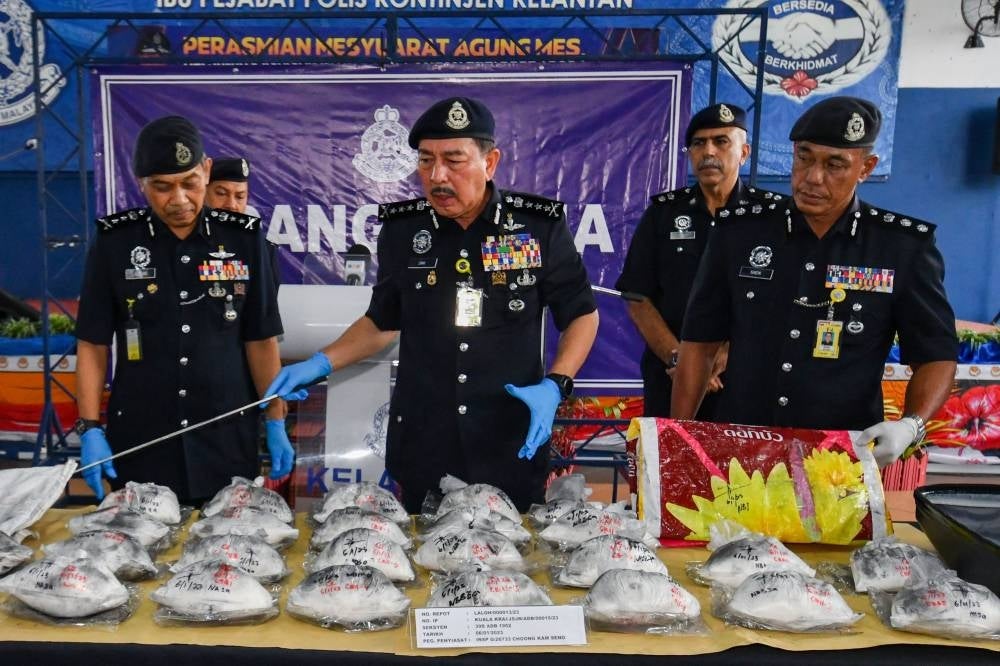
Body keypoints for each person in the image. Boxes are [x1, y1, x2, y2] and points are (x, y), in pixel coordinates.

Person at [265, 97, 599, 513]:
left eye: (453, 161)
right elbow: (382, 323)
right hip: (424, 440)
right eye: (426, 161)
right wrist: (320, 362)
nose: (437, 176)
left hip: (508, 436)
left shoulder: (537, 227)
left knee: (509, 569)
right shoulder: (403, 231)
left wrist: (556, 384)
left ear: (490, 162)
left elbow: (581, 314)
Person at [672, 96, 958, 467]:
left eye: (834, 164)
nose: (812, 177)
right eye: (804, 157)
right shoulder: (739, 232)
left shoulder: (901, 248)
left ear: (865, 167)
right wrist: (678, 435)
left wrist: (911, 423)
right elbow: (700, 344)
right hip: (741, 449)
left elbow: (935, 354)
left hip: (843, 457)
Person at [74, 116, 293, 503]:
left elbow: (260, 338)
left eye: (190, 183)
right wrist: (90, 427)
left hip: (226, 434)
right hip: (143, 436)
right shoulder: (114, 241)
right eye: (162, 187)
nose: (179, 200)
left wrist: (276, 419)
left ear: (206, 171)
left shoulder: (242, 239)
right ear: (140, 182)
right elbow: (93, 343)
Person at [615, 103, 777, 418]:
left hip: (746, 376)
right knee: (670, 463)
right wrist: (682, 360)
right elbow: (637, 296)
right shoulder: (664, 214)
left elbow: (781, 300)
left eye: (721, 142)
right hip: (672, 377)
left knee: (747, 467)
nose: (708, 152)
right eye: (699, 143)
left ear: (744, 152)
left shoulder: (770, 217)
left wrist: (723, 356)